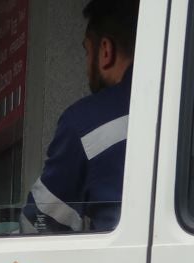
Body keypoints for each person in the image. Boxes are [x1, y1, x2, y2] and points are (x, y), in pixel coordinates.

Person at [23, 0, 136, 234]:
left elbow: (38, 225)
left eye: (87, 51)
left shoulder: (85, 123)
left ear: (106, 50)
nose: (86, 66)